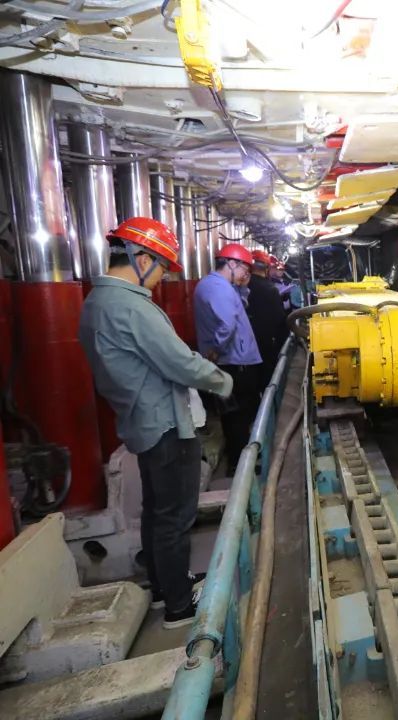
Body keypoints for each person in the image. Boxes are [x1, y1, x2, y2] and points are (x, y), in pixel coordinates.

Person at [78, 217, 234, 629]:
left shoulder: (96, 302)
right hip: (167, 425)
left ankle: (166, 587)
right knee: (175, 518)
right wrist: (224, 381)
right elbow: (179, 362)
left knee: (157, 513)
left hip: (140, 422)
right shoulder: (131, 306)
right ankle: (181, 607)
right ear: (142, 259)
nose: (163, 276)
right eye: (162, 266)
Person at [193, 243, 262, 474]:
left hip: (237, 360)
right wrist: (216, 348)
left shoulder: (223, 286)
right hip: (233, 363)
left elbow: (237, 309)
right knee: (237, 416)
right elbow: (227, 324)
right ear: (231, 263)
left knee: (239, 414)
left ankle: (243, 459)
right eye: (244, 269)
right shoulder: (217, 287)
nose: (246, 274)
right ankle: (240, 466)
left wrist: (243, 287)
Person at [247, 249, 288, 392]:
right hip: (266, 344)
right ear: (267, 268)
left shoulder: (240, 286)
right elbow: (279, 320)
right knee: (267, 381)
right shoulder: (270, 289)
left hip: (246, 345)